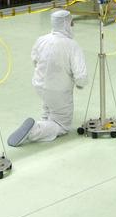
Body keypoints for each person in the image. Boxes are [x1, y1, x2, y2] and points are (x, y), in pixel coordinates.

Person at [8, 10, 89, 146]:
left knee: (49, 108)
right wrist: (80, 83)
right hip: (59, 91)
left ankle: (43, 122)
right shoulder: (72, 46)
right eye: (71, 23)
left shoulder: (42, 40)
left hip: (39, 85)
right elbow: (81, 76)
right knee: (62, 125)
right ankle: (34, 131)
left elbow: (35, 60)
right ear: (67, 24)